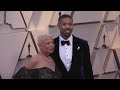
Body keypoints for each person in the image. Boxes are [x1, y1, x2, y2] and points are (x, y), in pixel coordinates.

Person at [50, 14, 94, 79]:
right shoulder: (52, 44)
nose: (67, 27)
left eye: (70, 24)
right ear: (58, 26)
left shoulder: (82, 44)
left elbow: (87, 68)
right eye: (64, 24)